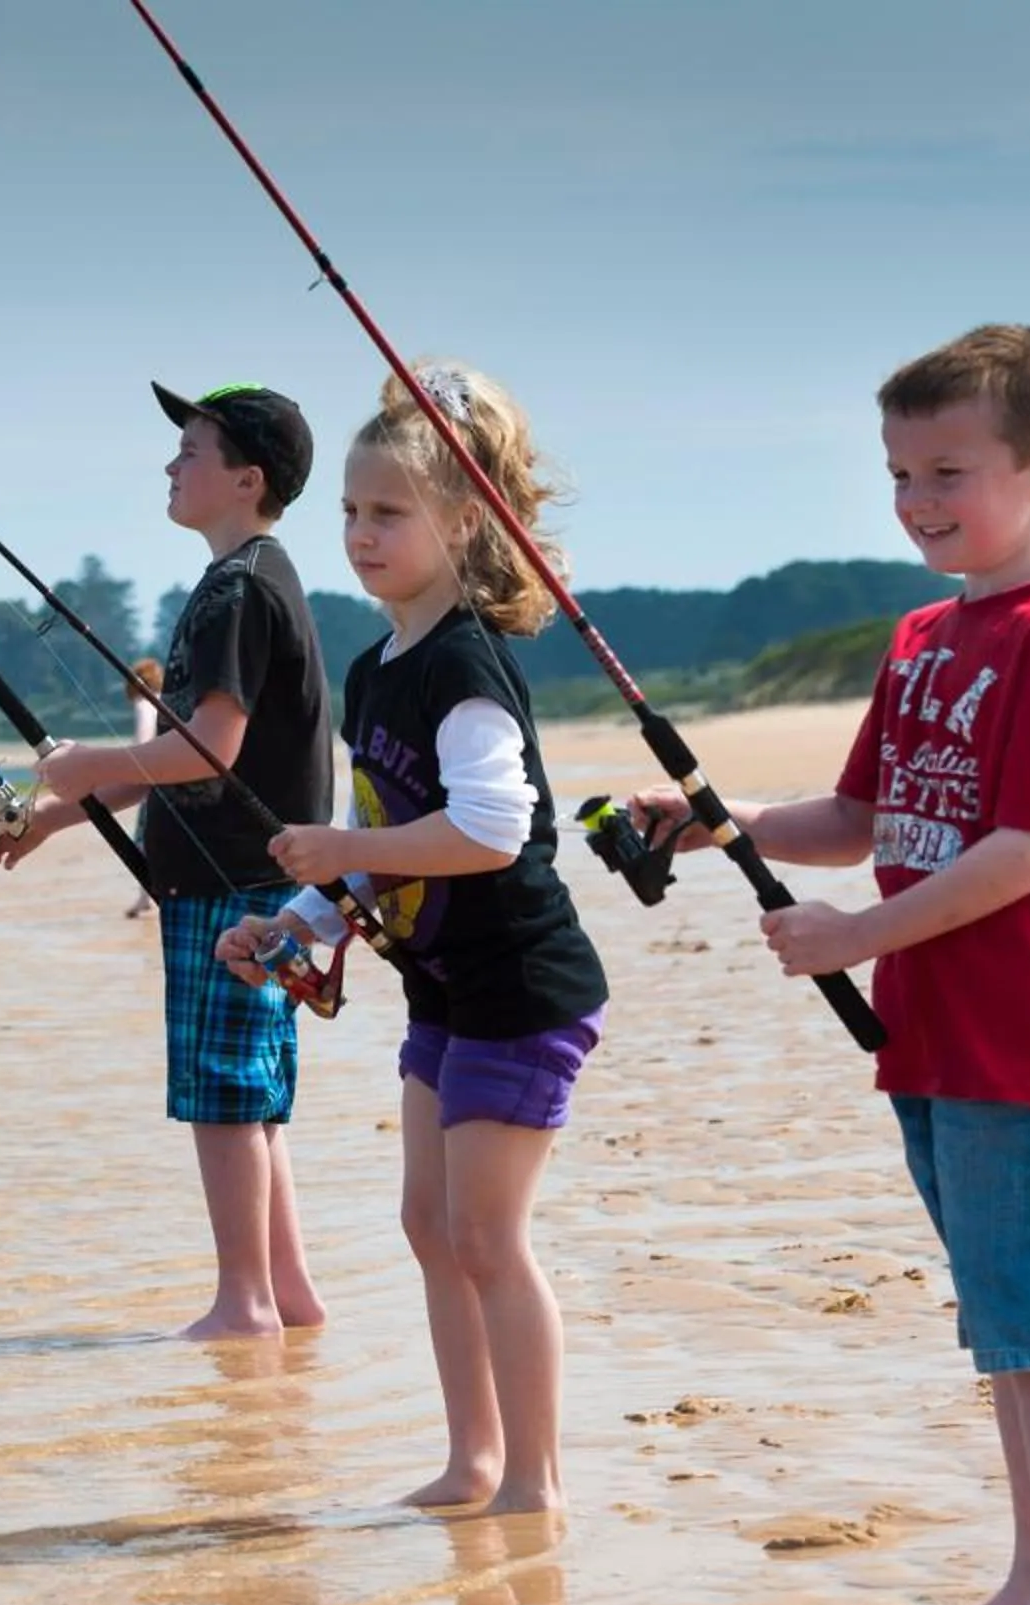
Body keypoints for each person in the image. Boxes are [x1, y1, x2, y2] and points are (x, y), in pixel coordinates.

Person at [628, 325, 1030, 1605]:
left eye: (948, 472)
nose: (919, 502)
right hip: (931, 1030)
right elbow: (863, 813)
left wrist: (857, 934)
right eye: (898, 475)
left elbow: (1023, 856)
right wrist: (714, 820)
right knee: (998, 1313)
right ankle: (1029, 1574)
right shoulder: (926, 636)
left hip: (1029, 1035)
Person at [219, 363, 608, 1516]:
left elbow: (494, 829)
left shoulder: (465, 659)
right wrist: (292, 917)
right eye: (349, 509)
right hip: (443, 991)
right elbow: (376, 834)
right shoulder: (376, 668)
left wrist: (341, 858)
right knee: (428, 1224)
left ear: (465, 520)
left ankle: (533, 1479)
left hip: (524, 986)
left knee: (488, 1234)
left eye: (388, 512)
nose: (360, 533)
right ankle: (471, 1459)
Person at [0, 382, 337, 1339]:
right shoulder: (252, 579)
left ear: (245, 478)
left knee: (224, 1096)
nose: (171, 466)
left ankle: (244, 1304)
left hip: (230, 887)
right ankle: (286, 1291)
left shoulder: (239, 590)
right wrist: (51, 817)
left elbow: (204, 750)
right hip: (256, 880)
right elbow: (188, 760)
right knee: (252, 1096)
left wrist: (89, 761)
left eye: (191, 452)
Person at [123, 657, 167, 919]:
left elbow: (142, 739)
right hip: (170, 777)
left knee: (144, 843)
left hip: (150, 782)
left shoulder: (144, 703)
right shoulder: (166, 699)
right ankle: (148, 897)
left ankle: (145, 898)